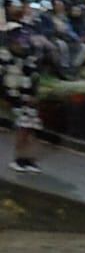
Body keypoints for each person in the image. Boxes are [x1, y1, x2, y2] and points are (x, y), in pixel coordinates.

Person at [2, 26, 44, 173]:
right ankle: (18, 159)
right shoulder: (4, 57)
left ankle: (29, 160)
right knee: (22, 128)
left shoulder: (29, 58)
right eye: (18, 43)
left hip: (29, 98)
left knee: (31, 129)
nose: (21, 46)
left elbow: (35, 78)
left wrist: (34, 95)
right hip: (14, 98)